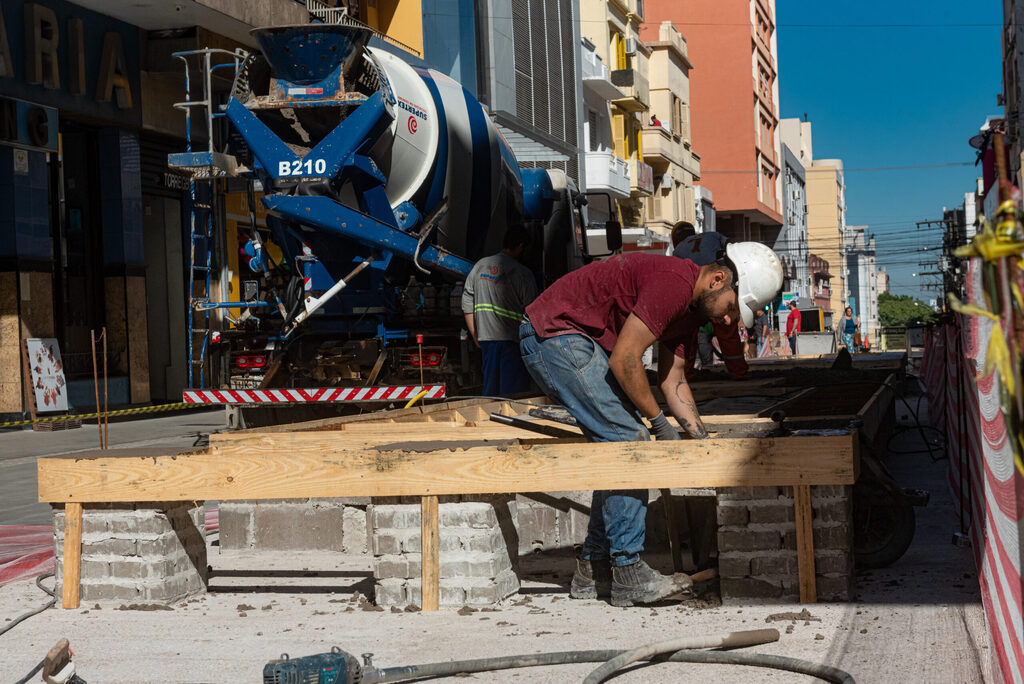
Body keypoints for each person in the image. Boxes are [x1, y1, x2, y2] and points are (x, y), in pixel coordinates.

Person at [518, 244, 782, 607]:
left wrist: (701, 441)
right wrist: (658, 424)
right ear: (718, 279)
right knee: (630, 441)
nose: (726, 321)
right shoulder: (674, 283)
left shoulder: (690, 310)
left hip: (574, 340)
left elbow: (673, 380)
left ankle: (594, 567)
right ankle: (628, 573)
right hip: (554, 335)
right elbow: (625, 359)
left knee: (617, 445)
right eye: (732, 308)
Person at [462, 225, 537, 396]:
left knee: (490, 391)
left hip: (487, 339)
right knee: (513, 395)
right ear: (520, 247)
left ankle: (489, 421)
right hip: (512, 341)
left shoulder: (480, 266)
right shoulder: (522, 274)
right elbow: (533, 311)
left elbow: (467, 303)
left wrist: (475, 335)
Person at [673, 232, 750, 379]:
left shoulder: (679, 250)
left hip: (691, 297)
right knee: (727, 334)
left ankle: (685, 374)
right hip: (715, 293)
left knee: (686, 336)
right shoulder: (712, 236)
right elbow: (732, 250)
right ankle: (739, 372)